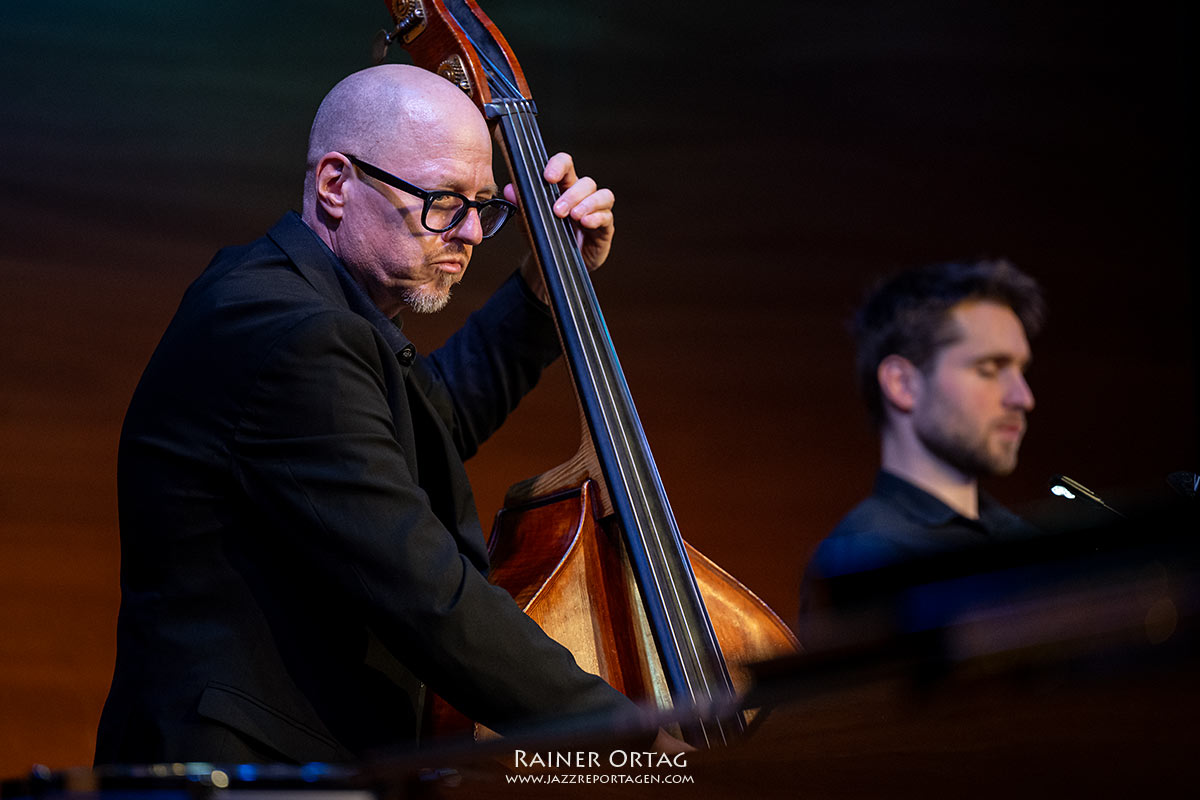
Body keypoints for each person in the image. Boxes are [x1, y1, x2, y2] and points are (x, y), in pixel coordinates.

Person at [95, 64, 640, 764]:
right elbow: (429, 595)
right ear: (335, 184)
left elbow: (430, 423)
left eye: (483, 205)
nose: (472, 232)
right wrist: (640, 740)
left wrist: (542, 286)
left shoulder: (292, 302)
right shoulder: (290, 333)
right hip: (250, 773)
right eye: (444, 200)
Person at [797, 259, 1045, 648]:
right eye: (989, 368)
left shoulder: (1029, 540)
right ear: (903, 384)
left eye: (1020, 370)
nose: (1022, 398)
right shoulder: (861, 557)